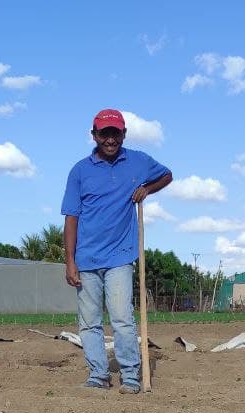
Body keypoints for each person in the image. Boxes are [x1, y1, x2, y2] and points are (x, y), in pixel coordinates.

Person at [62, 109, 173, 393]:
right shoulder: (79, 171)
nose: (110, 139)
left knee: (122, 318)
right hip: (86, 259)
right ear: (94, 135)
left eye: (116, 133)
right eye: (104, 133)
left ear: (124, 134)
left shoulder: (137, 161)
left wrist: (147, 189)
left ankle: (131, 375)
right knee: (89, 322)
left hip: (121, 256)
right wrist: (70, 261)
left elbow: (167, 175)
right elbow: (71, 218)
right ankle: (98, 374)